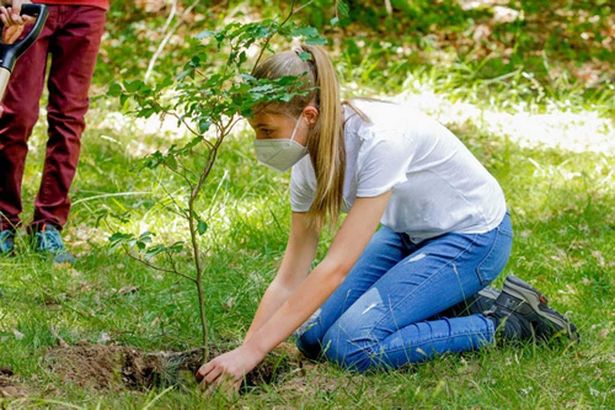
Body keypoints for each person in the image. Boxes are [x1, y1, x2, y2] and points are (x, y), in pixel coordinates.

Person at [195, 44, 578, 390]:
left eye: (266, 129)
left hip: (473, 238)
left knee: (352, 347)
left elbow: (336, 266)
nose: (261, 142)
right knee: (311, 338)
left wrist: (252, 353)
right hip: (408, 235)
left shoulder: (380, 139)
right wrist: (247, 352)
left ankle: (508, 322)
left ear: (309, 115)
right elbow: (291, 276)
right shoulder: (305, 164)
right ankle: (448, 298)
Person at [0, 0, 108, 263]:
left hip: (88, 7)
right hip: (29, 5)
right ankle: (3, 221)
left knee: (69, 117)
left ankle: (48, 227)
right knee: (17, 115)